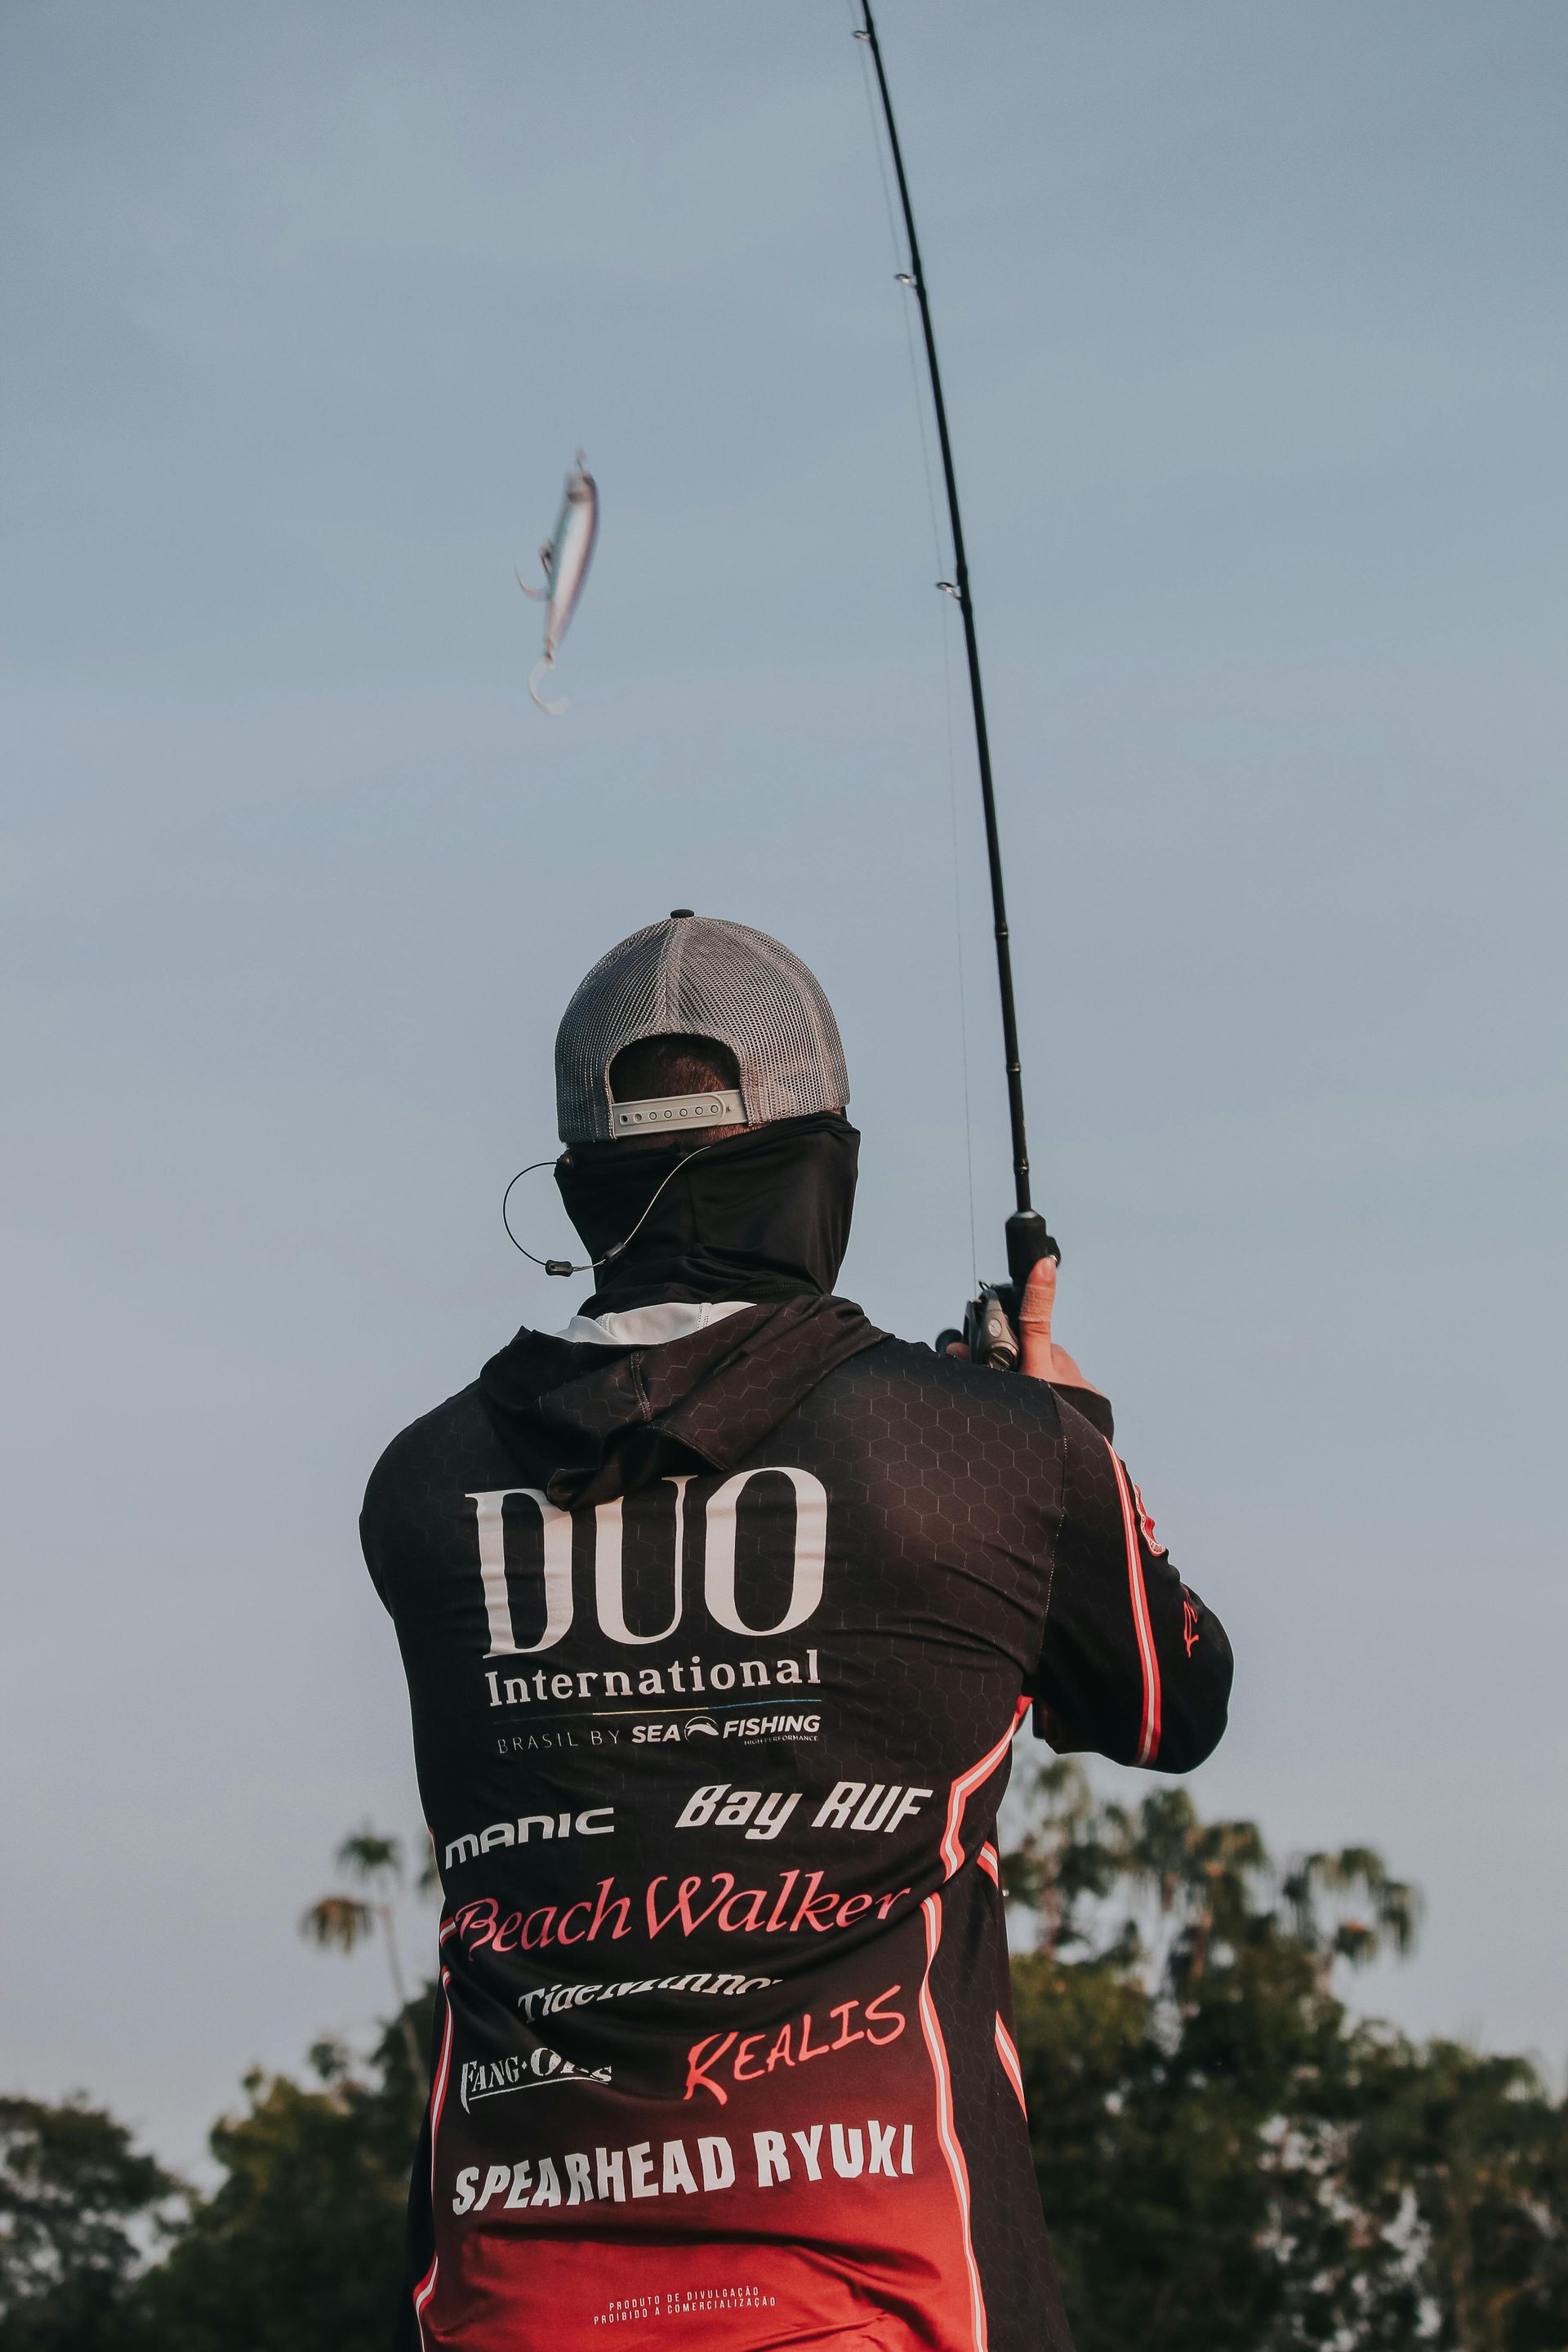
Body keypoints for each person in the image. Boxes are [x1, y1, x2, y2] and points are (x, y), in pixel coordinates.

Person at [362, 911, 1233, 2352]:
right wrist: (1065, 1428)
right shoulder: (991, 1450)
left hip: (506, 2306)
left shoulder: (423, 1486)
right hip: (899, 2305)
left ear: (585, 1179)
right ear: (822, 1163)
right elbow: (1167, 1698)